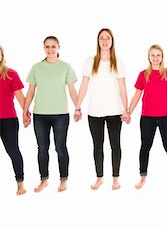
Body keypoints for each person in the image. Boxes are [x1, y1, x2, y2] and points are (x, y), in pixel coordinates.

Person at [74, 28, 129, 190]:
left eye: (108, 38)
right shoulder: (90, 62)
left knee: (115, 145)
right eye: (102, 38)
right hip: (94, 112)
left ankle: (116, 178)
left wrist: (126, 110)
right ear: (98, 41)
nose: (105, 41)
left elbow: (123, 88)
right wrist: (77, 106)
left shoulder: (118, 62)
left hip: (115, 111)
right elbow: (84, 85)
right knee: (97, 145)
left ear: (112, 41)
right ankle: (99, 178)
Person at [23, 36, 78, 193]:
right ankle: (44, 179)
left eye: (53, 46)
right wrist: (25, 111)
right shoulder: (36, 68)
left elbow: (72, 90)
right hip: (40, 115)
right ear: (43, 48)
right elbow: (31, 91)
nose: (50, 49)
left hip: (61, 114)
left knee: (60, 147)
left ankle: (63, 180)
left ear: (59, 47)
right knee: (42, 148)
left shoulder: (66, 67)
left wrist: (78, 107)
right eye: (47, 46)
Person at [128, 44, 167, 189]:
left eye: (158, 55)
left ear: (162, 57)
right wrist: (128, 112)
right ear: (149, 57)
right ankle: (142, 178)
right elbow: (136, 95)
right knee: (145, 147)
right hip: (147, 117)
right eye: (152, 55)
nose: (155, 58)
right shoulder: (143, 75)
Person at [0, 45, 27, 195]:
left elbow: (20, 97)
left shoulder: (11, 74)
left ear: (2, 55)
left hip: (8, 120)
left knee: (13, 151)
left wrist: (26, 115)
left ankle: (20, 184)